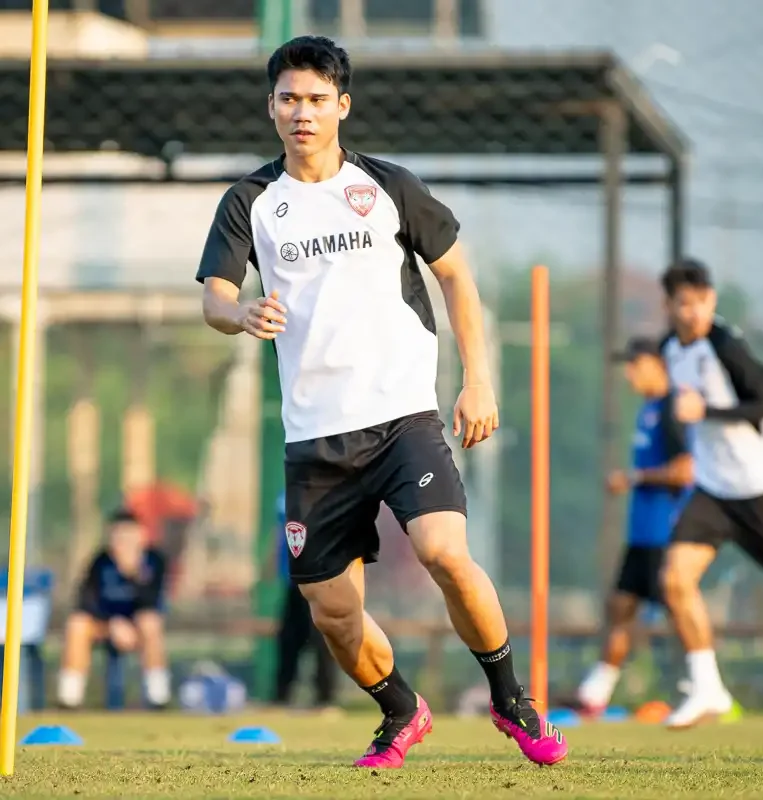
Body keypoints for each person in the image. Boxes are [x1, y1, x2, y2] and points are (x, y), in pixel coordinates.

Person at [196, 35, 567, 768]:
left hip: (403, 417)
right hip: (315, 438)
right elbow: (213, 295)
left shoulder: (388, 186)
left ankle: (511, 699)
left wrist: (478, 378)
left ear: (343, 106)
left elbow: (458, 278)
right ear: (271, 107)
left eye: (316, 99)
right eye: (288, 99)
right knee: (332, 614)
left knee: (444, 552)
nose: (302, 113)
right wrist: (240, 314)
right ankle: (401, 709)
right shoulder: (252, 201)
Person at [659, 258, 763, 729]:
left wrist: (709, 411)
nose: (695, 312)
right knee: (676, 579)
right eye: (685, 304)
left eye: (703, 302)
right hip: (713, 491)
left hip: (758, 488)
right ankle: (707, 688)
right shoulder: (670, 350)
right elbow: (683, 413)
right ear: (671, 306)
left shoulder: (726, 345)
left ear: (711, 301)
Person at [575, 337, 694, 714]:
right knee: (620, 608)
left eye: (636, 364)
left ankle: (705, 687)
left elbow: (685, 471)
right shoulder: (649, 409)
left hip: (667, 533)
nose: (629, 374)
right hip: (641, 535)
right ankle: (595, 695)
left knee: (683, 614)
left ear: (659, 364)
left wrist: (634, 477)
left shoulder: (675, 406)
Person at [58, 507, 171, 709]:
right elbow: (86, 600)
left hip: (138, 627)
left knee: (150, 623)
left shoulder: (154, 562)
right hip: (105, 625)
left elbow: (153, 601)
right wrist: (112, 624)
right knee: (77, 625)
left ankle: (158, 698)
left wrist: (133, 574)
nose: (123, 542)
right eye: (118, 536)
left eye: (129, 536)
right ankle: (69, 699)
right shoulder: (100, 562)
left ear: (141, 536)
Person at [271, 490, 339, 712]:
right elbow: (280, 533)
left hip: (321, 578)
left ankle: (325, 700)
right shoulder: (286, 494)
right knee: (288, 640)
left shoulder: (329, 492)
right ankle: (280, 698)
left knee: (321, 639)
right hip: (292, 580)